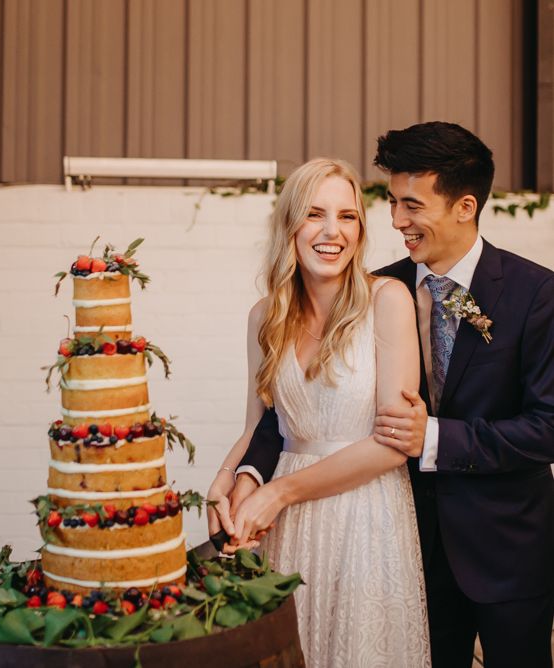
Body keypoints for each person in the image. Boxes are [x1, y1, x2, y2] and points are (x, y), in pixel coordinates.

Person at [224, 122, 554, 668]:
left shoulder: (535, 293)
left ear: (464, 207)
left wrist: (439, 438)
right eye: (392, 203)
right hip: (403, 546)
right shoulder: (377, 290)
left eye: (410, 205)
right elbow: (284, 410)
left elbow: (547, 426)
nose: (397, 220)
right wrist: (243, 474)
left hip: (507, 550)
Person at [206, 157, 431, 667]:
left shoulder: (387, 300)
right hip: (285, 527)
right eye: (315, 214)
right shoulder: (265, 316)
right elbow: (257, 428)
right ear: (290, 224)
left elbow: (392, 445)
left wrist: (277, 494)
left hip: (366, 514)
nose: (333, 231)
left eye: (348, 217)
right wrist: (229, 483)